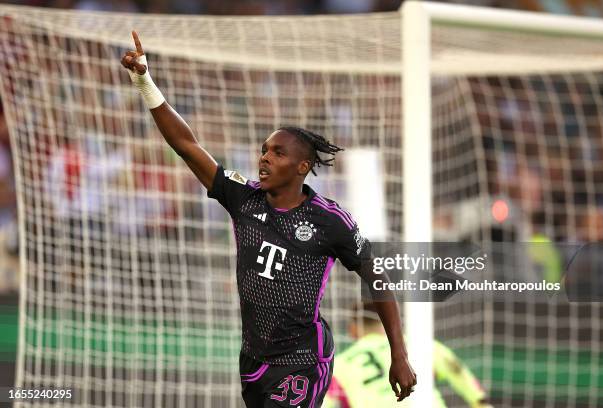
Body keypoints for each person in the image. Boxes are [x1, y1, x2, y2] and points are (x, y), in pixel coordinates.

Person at [121, 31, 416, 407]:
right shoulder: (243, 199)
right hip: (254, 360)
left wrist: (399, 354)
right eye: (264, 150)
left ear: (302, 167)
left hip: (303, 362)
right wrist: (144, 81)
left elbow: (375, 273)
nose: (265, 157)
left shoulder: (329, 220)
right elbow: (187, 145)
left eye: (277, 153)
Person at [325, 302, 492, 408]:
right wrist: (480, 402)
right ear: (393, 321)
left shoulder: (340, 365)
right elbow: (456, 369)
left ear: (352, 329)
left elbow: (324, 402)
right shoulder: (421, 344)